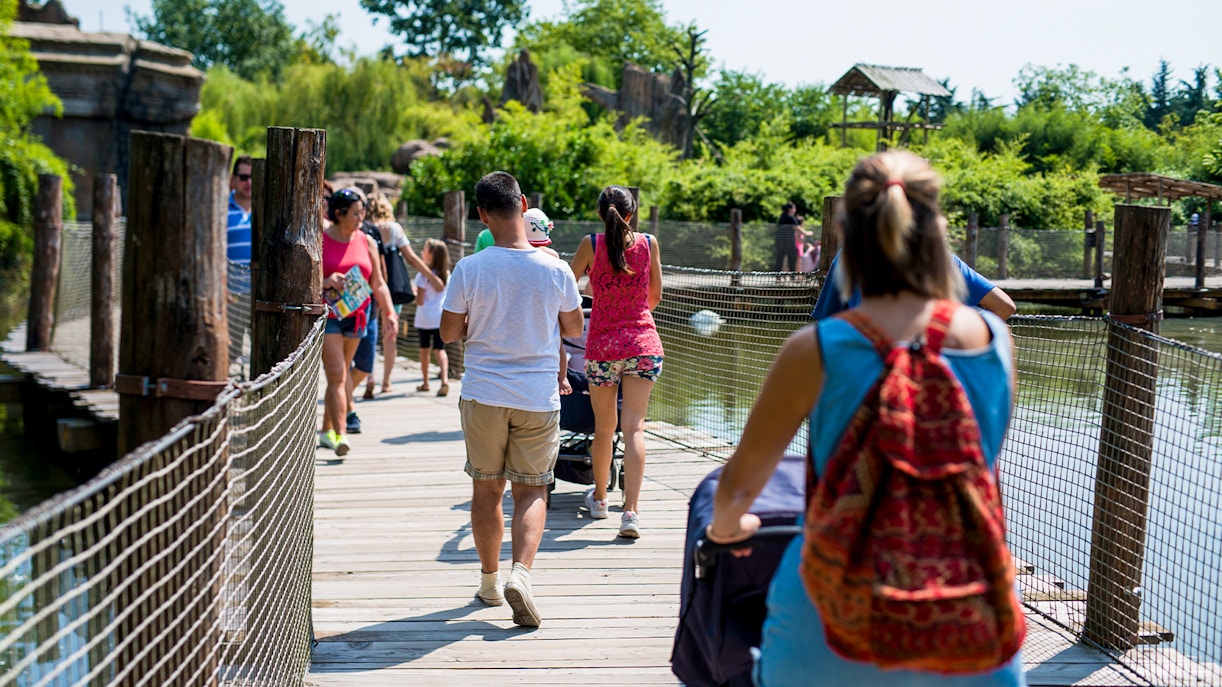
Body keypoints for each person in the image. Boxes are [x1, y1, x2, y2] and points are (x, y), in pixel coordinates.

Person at [705, 150, 1024, 686]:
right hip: (971, 618)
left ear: (847, 232)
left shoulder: (815, 349)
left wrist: (728, 531)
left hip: (830, 618)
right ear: (937, 232)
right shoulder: (995, 339)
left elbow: (738, 487)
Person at [440, 171, 583, 627]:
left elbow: (447, 333)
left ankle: (488, 582)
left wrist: (475, 323)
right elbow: (575, 329)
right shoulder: (556, 269)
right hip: (538, 396)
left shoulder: (470, 268)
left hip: (484, 393)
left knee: (486, 488)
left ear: (481, 215)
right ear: (524, 203)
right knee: (532, 489)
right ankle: (521, 573)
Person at [568, 185, 664, 539]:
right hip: (643, 342)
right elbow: (654, 296)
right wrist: (632, 312)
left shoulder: (590, 245)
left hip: (603, 348)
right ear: (632, 212)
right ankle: (632, 513)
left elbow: (566, 287)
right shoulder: (649, 243)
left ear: (599, 213)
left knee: (604, 428)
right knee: (635, 427)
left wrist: (600, 303)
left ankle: (600, 498)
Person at [319, 188, 398, 456]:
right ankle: (341, 435)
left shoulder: (367, 241)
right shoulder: (320, 239)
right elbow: (306, 282)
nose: (361, 217)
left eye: (362, 212)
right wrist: (326, 282)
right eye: (356, 213)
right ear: (339, 214)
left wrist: (390, 313)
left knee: (343, 374)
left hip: (358, 315)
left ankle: (326, 429)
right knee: (337, 374)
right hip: (328, 316)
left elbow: (377, 282)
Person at [367, 192, 441, 394]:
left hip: (369, 285)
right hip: (392, 288)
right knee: (390, 333)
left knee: (369, 330)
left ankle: (369, 377)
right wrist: (432, 278)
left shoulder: (365, 228)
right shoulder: (393, 229)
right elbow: (412, 258)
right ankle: (386, 382)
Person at [812, 251, 1017, 320]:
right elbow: (1004, 306)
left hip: (858, 386)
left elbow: (825, 327)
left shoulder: (849, 255)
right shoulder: (940, 259)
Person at [226, 155, 254, 365]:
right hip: (231, 294)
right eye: (244, 177)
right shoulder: (221, 209)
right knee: (229, 352)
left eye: (253, 177)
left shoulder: (266, 209)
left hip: (261, 293)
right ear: (233, 179)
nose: (249, 182)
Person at [414, 238, 451, 396]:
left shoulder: (422, 276)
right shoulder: (447, 274)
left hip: (424, 318)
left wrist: (415, 294)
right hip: (440, 317)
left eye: (425, 249)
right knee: (440, 350)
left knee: (424, 351)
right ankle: (444, 380)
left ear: (432, 255)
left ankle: (426, 382)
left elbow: (420, 301)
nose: (422, 252)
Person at [774, 202, 799, 273]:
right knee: (792, 259)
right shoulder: (790, 218)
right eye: (794, 208)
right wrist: (807, 233)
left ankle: (777, 276)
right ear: (790, 209)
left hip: (780, 242)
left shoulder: (782, 217)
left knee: (780, 260)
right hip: (789, 243)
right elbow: (797, 228)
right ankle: (792, 276)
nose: (795, 210)